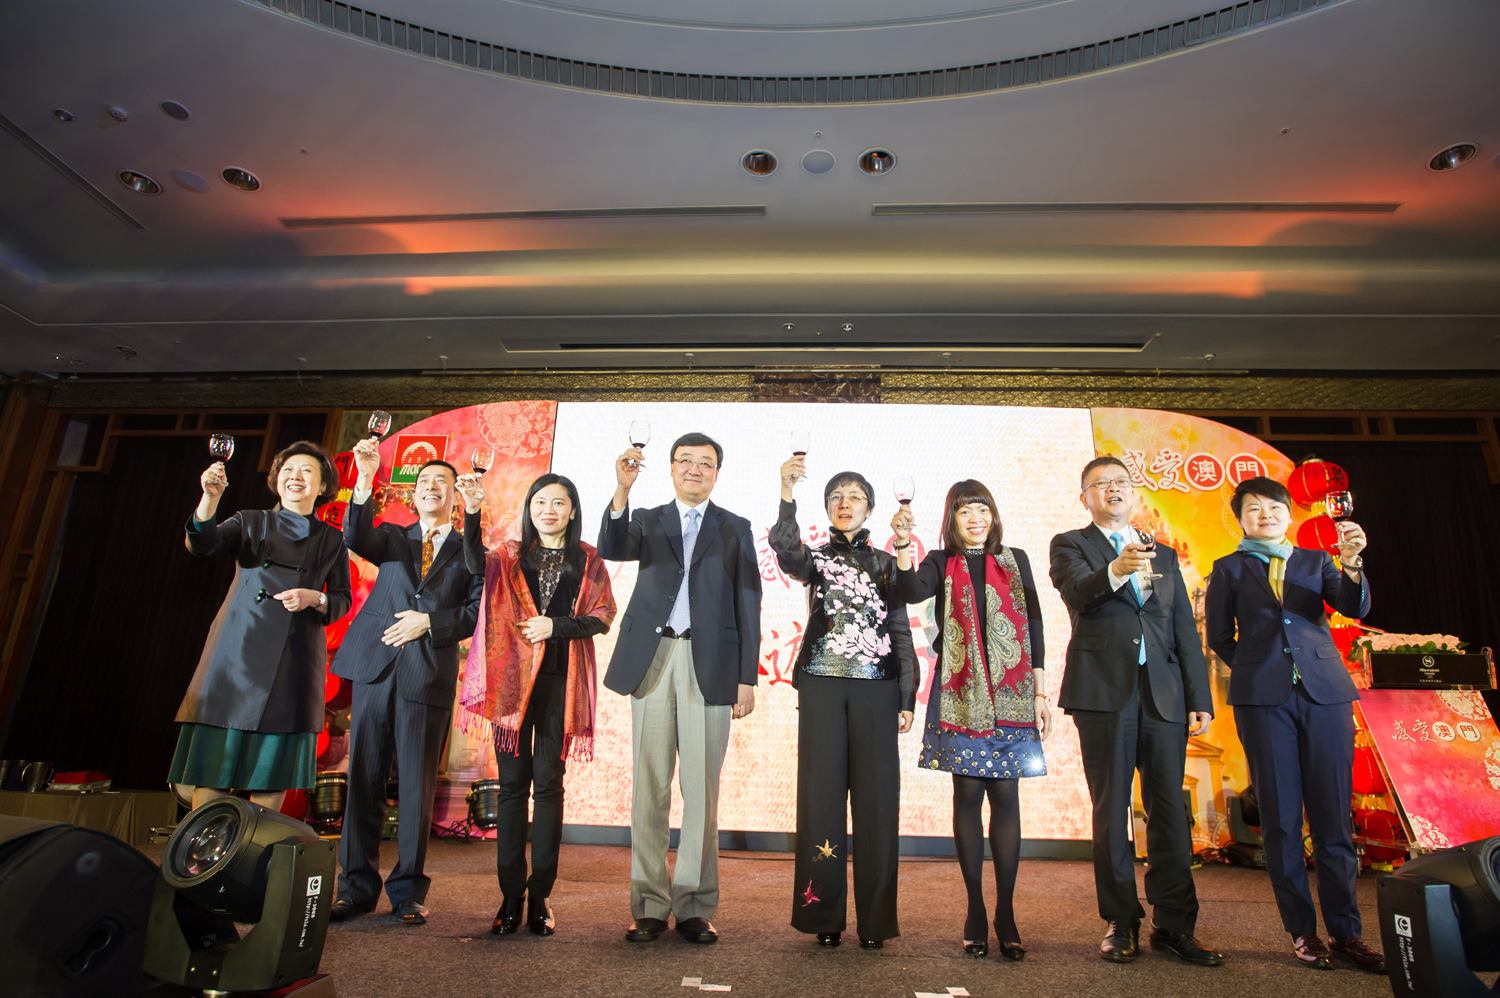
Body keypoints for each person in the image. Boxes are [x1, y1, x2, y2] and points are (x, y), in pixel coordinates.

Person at [1205, 476, 1384, 973]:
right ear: (1240, 519)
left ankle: (1347, 932)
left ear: (1289, 514)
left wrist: (1352, 563)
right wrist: (1256, 669)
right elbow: (1219, 635)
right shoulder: (1229, 568)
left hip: (1326, 695)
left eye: (1274, 507)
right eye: (1254, 509)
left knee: (1334, 818)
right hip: (1264, 701)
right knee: (1282, 820)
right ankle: (1303, 931)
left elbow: (1354, 606)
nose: (1265, 515)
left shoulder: (1316, 561)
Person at [1049, 455, 1222, 967]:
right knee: (1111, 811)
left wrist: (1199, 697)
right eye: (1100, 484)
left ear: (1133, 492)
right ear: (1086, 497)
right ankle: (1121, 919)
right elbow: (1078, 594)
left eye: (1121, 482)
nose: (1113, 489)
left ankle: (1175, 925)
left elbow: (1182, 628)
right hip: (1104, 691)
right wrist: (1116, 569)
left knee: (1170, 810)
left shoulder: (1162, 552)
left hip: (1163, 694)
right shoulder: (1071, 544)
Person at [598, 432, 761, 945]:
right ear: (670, 468)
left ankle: (694, 904)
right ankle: (648, 905)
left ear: (717, 473)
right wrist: (622, 490)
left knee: (702, 791)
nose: (694, 469)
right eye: (685, 461)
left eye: (705, 463)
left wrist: (746, 677)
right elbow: (611, 547)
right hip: (653, 658)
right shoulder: (647, 519)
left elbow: (748, 601)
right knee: (649, 787)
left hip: (710, 664)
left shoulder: (735, 527)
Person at [893, 479, 1050, 960]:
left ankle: (1006, 912)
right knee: (967, 794)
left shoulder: (1015, 560)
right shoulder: (941, 561)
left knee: (1006, 795)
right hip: (961, 694)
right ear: (952, 520)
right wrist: (903, 545)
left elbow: (1034, 624)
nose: (975, 519)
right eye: (965, 512)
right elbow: (909, 590)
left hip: (1013, 695)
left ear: (993, 515)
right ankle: (975, 909)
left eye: (982, 509)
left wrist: (1040, 691)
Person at [330, 441, 483, 926]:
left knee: (417, 786)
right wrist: (364, 478)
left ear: (455, 495)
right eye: (423, 482)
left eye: (442, 481)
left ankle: (408, 893)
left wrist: (428, 623)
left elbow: (476, 611)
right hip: (376, 666)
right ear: (413, 495)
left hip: (427, 671)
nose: (431, 487)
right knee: (364, 778)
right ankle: (355, 888)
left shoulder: (471, 550)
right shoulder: (392, 537)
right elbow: (355, 535)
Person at [458, 472, 616, 938]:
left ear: (572, 510)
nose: (549, 510)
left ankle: (541, 896)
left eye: (559, 502)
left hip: (560, 683)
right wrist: (471, 511)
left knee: (548, 786)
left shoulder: (587, 559)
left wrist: (555, 627)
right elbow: (472, 564)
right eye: (540, 502)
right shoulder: (508, 555)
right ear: (529, 509)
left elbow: (602, 616)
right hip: (511, 683)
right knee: (511, 788)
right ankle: (510, 896)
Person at [769, 462, 917, 950]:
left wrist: (906, 696)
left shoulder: (888, 564)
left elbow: (900, 631)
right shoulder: (814, 559)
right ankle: (823, 915)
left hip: (878, 689)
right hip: (822, 685)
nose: (845, 503)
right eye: (836, 496)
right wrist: (786, 491)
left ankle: (876, 922)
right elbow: (784, 548)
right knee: (821, 802)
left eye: (854, 496)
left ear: (869, 509)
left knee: (878, 806)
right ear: (828, 508)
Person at [170, 441, 351, 814]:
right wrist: (210, 498)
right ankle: (204, 848)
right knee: (213, 770)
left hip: (294, 657)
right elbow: (203, 545)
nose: (295, 477)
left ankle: (257, 848)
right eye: (288, 470)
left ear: (322, 486)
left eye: (306, 471)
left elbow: (342, 599)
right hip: (237, 652)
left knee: (272, 773)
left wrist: (315, 598)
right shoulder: (250, 521)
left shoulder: (331, 539)